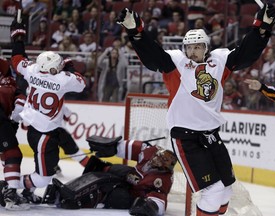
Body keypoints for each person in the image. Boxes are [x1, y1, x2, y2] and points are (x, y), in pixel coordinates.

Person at [116, 3, 275, 216]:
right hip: (186, 138)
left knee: (225, 190)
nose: (192, 52)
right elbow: (152, 55)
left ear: (206, 47)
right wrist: (135, 32)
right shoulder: (176, 63)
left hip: (211, 135)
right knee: (213, 191)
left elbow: (246, 53)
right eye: (189, 47)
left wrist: (262, 28)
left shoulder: (220, 61)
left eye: (197, 47)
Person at [1, 16, 86, 209]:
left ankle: (19, 189)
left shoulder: (33, 71)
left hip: (36, 130)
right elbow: (81, 83)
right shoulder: (63, 79)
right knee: (43, 178)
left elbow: (17, 60)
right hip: (44, 134)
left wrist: (18, 37)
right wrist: (70, 67)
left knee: (45, 173)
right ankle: (10, 187)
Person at [42, 135, 177, 216]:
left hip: (132, 194)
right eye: (158, 157)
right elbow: (135, 147)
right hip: (129, 176)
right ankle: (68, 188)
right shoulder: (150, 152)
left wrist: (150, 206)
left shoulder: (162, 180)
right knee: (103, 170)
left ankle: (77, 199)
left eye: (161, 161)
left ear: (165, 167)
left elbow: (160, 201)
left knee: (116, 196)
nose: (156, 159)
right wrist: (112, 147)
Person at [0, 57, 30, 210]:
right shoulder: (8, 84)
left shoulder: (8, 82)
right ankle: (10, 192)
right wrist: (13, 121)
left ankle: (9, 189)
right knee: (12, 153)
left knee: (6, 153)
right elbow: (19, 102)